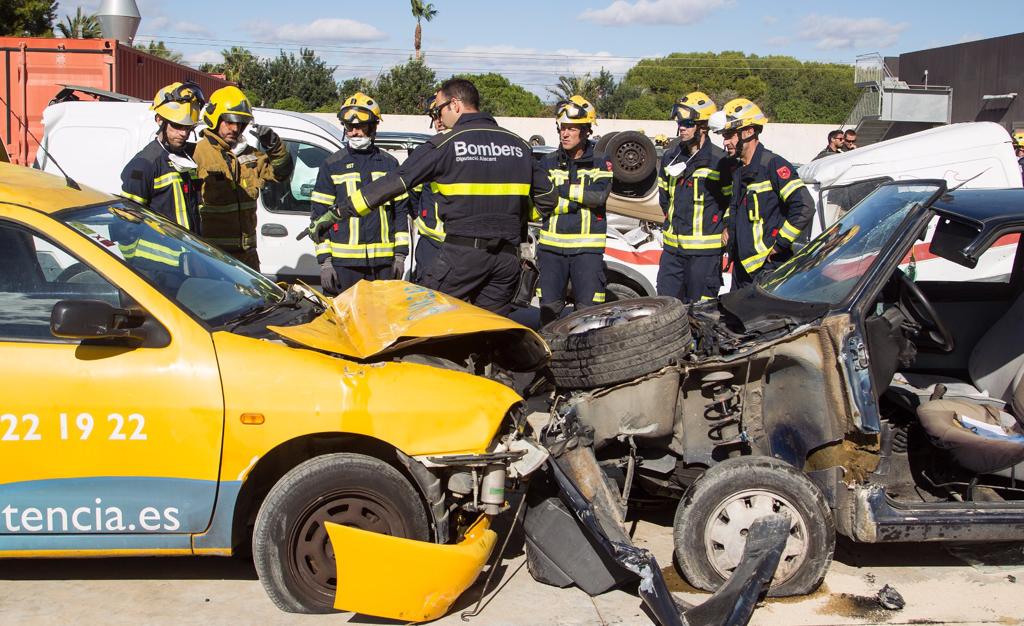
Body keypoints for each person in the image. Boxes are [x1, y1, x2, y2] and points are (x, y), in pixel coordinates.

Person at [308, 78, 557, 315]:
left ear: (455, 105)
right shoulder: (518, 145)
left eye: (439, 110)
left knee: (428, 317)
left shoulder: (446, 144)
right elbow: (548, 200)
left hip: (462, 257)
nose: (438, 117)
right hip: (506, 261)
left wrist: (338, 212)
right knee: (489, 329)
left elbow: (395, 183)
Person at [310, 92, 409, 295]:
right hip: (344, 267)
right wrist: (325, 262)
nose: (354, 132)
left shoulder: (390, 164)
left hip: (383, 265)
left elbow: (400, 214)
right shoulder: (332, 165)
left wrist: (400, 255)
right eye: (349, 127)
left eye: (360, 127)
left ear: (373, 127)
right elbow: (319, 217)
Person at [710, 98, 814, 289]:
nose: (725, 143)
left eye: (729, 136)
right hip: (743, 269)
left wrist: (779, 245)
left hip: (768, 269)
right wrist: (727, 226)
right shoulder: (739, 170)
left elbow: (804, 206)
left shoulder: (773, 165)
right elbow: (735, 207)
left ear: (749, 132)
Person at [194, 86, 293, 270]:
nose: (235, 128)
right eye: (229, 122)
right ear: (215, 119)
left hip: (247, 259)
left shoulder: (251, 155)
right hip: (212, 258)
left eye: (240, 123)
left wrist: (275, 147)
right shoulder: (199, 154)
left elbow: (281, 174)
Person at [534, 95, 614, 325]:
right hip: (550, 251)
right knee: (549, 314)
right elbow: (542, 202)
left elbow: (598, 197)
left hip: (587, 252)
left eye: (571, 129)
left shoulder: (601, 161)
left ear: (586, 131)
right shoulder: (547, 162)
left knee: (589, 316)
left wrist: (562, 190)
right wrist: (577, 198)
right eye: (562, 128)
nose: (565, 134)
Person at [656, 92, 731, 303]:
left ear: (703, 127)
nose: (682, 128)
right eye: (680, 123)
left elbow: (731, 203)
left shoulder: (720, 161)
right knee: (666, 307)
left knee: (700, 312)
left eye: (688, 123)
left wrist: (726, 226)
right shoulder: (671, 157)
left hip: (704, 256)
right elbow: (664, 197)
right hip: (672, 252)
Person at [119, 82, 205, 233]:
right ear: (159, 120)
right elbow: (126, 228)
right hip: (158, 256)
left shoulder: (186, 159)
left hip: (188, 253)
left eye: (188, 128)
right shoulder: (143, 165)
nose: (184, 134)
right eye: (177, 126)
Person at [407, 94, 448, 283]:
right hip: (430, 245)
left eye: (439, 115)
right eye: (434, 117)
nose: (438, 122)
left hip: (461, 246)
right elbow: (413, 197)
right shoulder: (428, 152)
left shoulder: (466, 150)